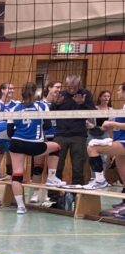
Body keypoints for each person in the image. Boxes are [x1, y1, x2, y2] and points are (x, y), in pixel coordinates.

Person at [9, 83, 62, 214]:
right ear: (35, 93)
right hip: (35, 145)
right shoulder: (42, 106)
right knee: (56, 147)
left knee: (17, 174)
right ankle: (51, 177)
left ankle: (20, 207)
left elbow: (9, 132)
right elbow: (48, 125)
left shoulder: (14, 108)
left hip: (17, 143)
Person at [77, 83, 125, 191]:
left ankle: (100, 181)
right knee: (123, 177)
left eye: (119, 90)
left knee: (92, 148)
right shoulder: (123, 106)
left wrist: (112, 123)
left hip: (123, 142)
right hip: (119, 140)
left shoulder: (115, 109)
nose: (117, 92)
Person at [52, 75, 95, 188]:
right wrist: (55, 104)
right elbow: (50, 113)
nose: (71, 90)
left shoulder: (85, 94)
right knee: (57, 166)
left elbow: (93, 112)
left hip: (78, 135)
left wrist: (82, 104)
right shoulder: (61, 95)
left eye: (74, 87)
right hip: (61, 134)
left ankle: (77, 194)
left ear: (79, 85)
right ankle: (54, 195)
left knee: (78, 167)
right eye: (69, 87)